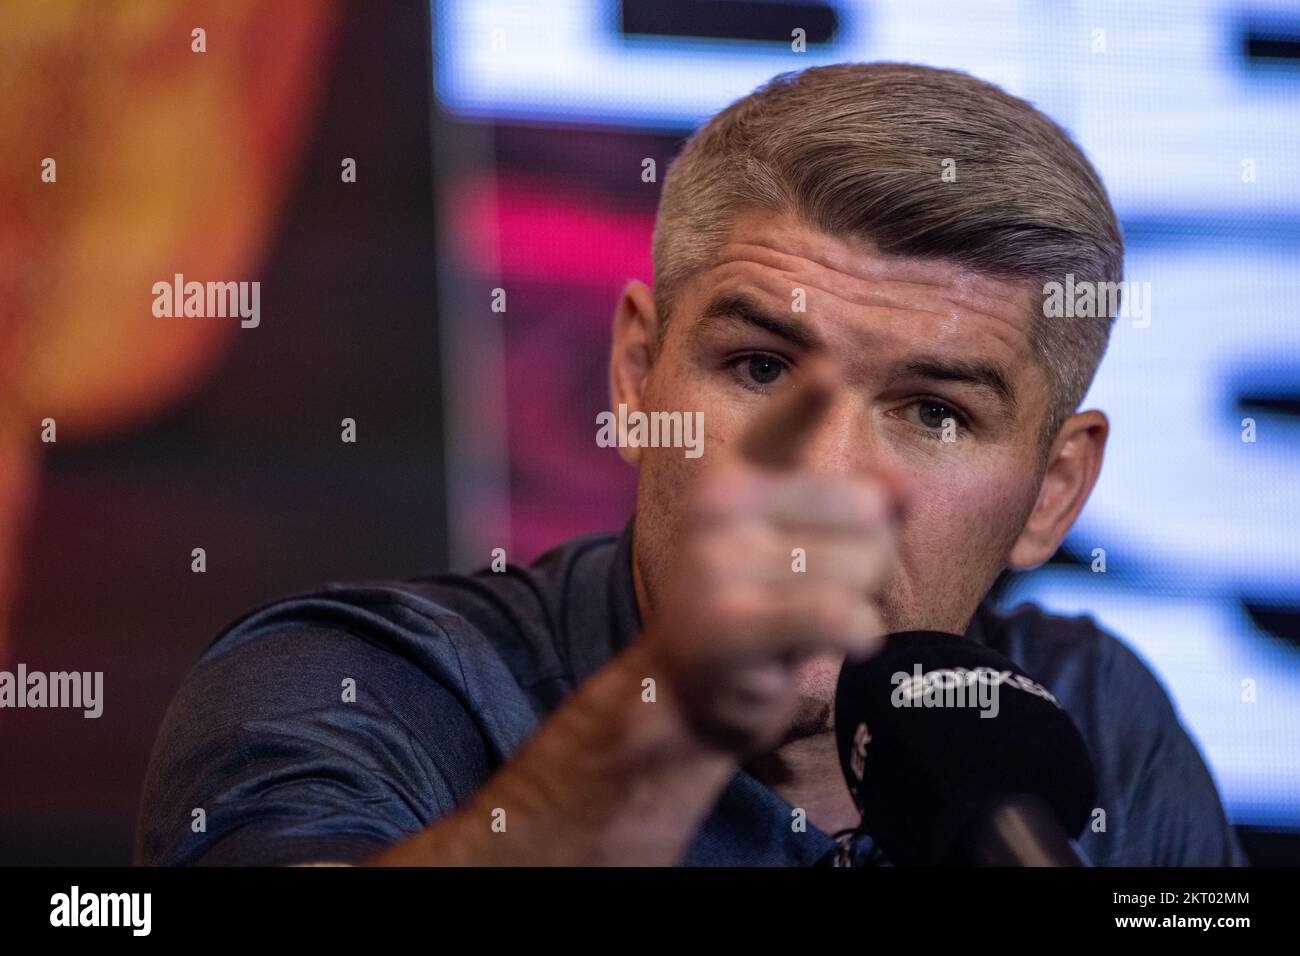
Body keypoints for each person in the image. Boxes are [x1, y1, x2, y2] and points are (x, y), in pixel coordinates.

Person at [136, 63, 1246, 867]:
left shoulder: (1090, 719)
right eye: (761, 367)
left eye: (933, 412)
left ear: (1052, 492)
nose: (826, 477)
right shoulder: (357, 686)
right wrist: (674, 719)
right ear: (634, 374)